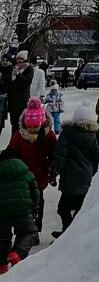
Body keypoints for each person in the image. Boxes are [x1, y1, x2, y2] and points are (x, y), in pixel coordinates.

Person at [51, 102, 99, 236]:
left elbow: (60, 153)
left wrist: (55, 169)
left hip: (69, 177)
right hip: (85, 178)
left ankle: (68, 232)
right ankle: (73, 232)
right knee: (80, 207)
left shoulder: (67, 133)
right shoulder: (91, 135)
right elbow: (97, 157)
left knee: (63, 208)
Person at [9, 97, 57, 238]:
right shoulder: (19, 136)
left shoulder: (48, 136)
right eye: (29, 126)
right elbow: (11, 153)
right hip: (22, 176)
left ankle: (35, 230)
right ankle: (25, 230)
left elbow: (55, 154)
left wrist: (51, 170)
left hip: (39, 175)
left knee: (38, 201)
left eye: (35, 127)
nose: (32, 129)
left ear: (42, 124)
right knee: (24, 203)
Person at [0, 147, 40, 271]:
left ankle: (2, 264)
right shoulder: (26, 173)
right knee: (29, 233)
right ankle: (17, 253)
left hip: (2, 212)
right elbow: (35, 192)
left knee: (2, 238)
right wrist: (34, 207)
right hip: (23, 210)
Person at [6, 50, 35, 134]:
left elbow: (27, 81)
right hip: (13, 99)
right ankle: (13, 142)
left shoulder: (29, 68)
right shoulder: (14, 67)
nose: (19, 60)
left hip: (22, 99)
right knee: (14, 123)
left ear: (25, 59)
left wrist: (18, 75)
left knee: (22, 122)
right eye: (17, 58)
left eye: (21, 58)